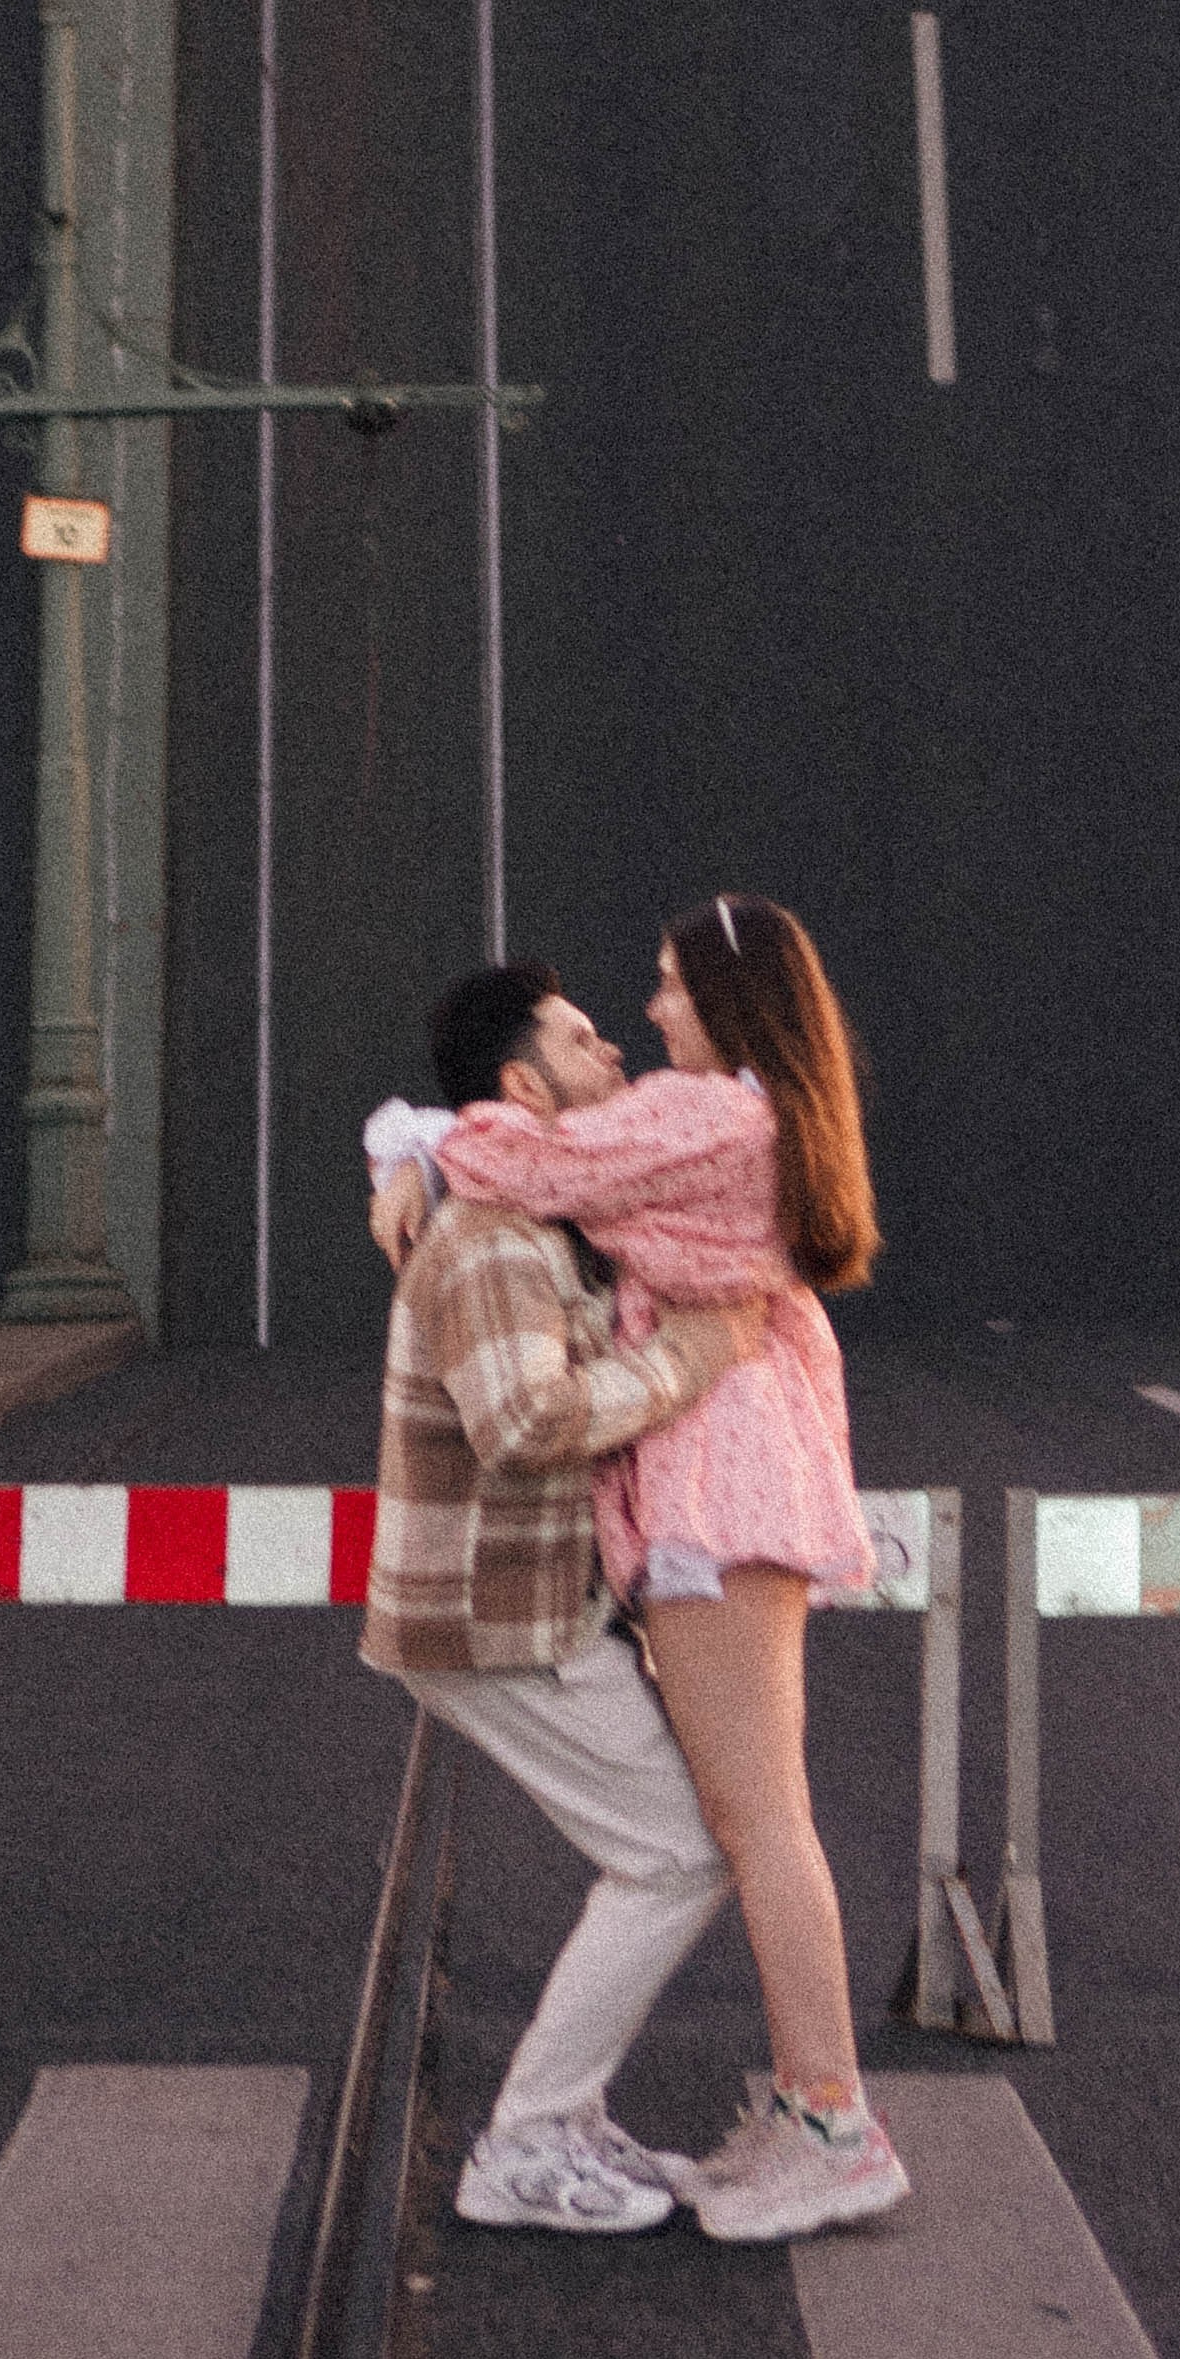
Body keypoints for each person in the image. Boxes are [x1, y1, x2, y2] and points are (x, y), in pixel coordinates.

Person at [367, 900, 909, 2245]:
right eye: (611, 1016)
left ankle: (830, 2123)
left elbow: (528, 1157)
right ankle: (803, 2111)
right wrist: (415, 1151)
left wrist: (408, 1148)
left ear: (729, 1000)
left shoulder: (711, 1113)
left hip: (717, 1485)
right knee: (728, 1827)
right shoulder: (738, 1118)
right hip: (712, 1477)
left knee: (751, 1825)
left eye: (665, 989)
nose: (644, 1018)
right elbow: (545, 1165)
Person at [361, 957, 768, 2237]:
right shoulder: (490, 1245)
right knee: (680, 1853)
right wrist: (689, 1362)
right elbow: (525, 1420)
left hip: (525, 1609)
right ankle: (526, 2141)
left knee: (666, 1850)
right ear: (524, 1084)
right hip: (494, 1621)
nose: (619, 1057)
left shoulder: (525, 1211)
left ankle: (562, 2117)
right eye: (588, 1041)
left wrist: (408, 1155)